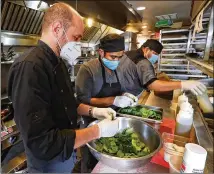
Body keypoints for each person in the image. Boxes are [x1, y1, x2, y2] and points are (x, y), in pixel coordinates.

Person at [7, 3, 119, 173]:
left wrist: (94, 111)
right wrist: (98, 131)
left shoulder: (58, 63)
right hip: (48, 165)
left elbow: (68, 104)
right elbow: (42, 142)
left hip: (67, 155)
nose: (79, 44)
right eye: (76, 37)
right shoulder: (30, 67)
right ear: (57, 28)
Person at [75, 34, 138, 172]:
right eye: (113, 57)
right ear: (101, 52)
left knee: (111, 159)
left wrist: (125, 96)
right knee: (91, 161)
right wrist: (113, 100)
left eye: (120, 57)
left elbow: (120, 90)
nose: (116, 61)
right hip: (92, 121)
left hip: (113, 119)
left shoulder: (119, 68)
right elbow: (82, 101)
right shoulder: (88, 69)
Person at [118, 39, 207, 96]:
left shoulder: (128, 53)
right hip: (129, 95)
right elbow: (153, 85)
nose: (155, 57)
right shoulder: (144, 62)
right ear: (146, 49)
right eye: (155, 54)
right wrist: (182, 84)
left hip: (118, 91)